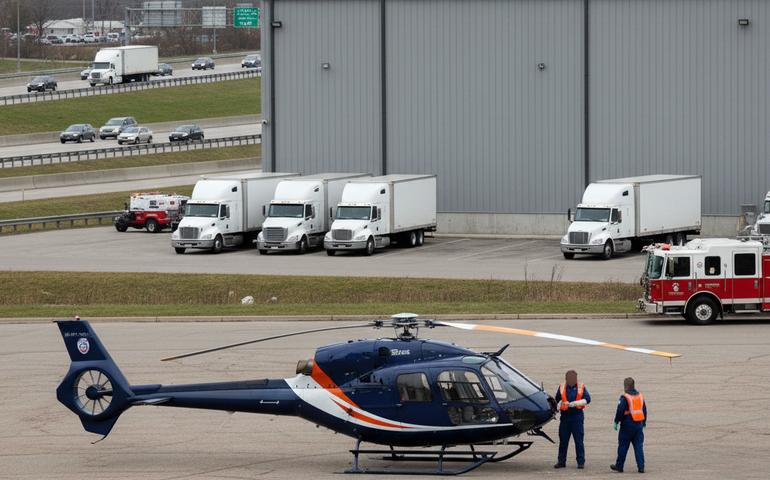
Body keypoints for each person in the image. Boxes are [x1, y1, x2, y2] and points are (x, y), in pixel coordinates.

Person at [553, 370, 590, 469]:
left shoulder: (580, 387)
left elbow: (587, 399)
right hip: (565, 417)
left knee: (579, 441)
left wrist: (573, 404)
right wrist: (557, 407)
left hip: (577, 417)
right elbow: (556, 400)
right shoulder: (562, 387)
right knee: (563, 441)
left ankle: (580, 462)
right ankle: (561, 461)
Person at [611, 377, 647, 473]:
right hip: (639, 424)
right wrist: (644, 422)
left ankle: (619, 465)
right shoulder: (640, 395)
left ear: (625, 386)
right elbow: (644, 410)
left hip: (628, 424)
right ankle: (641, 467)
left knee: (623, 445)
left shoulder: (625, 397)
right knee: (638, 446)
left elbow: (620, 410)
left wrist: (616, 421)